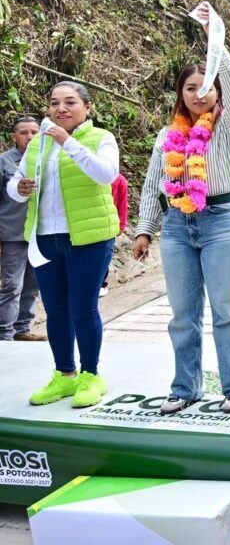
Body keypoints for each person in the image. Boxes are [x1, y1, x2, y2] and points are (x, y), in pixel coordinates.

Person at [133, 5, 230, 415]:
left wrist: (213, 35)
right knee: (182, 314)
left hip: (221, 221)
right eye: (190, 88)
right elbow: (153, 182)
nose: (199, 93)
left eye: (207, 87)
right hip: (176, 227)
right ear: (180, 95)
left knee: (227, 310)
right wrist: (145, 229)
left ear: (217, 92)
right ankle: (184, 387)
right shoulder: (169, 136)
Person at [7, 82, 120, 408]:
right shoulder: (38, 144)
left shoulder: (102, 138)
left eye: (70, 102)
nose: (61, 108)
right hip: (45, 238)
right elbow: (15, 188)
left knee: (83, 308)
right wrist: (23, 188)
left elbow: (105, 175)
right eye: (55, 103)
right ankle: (64, 374)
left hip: (89, 237)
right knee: (55, 310)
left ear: (88, 107)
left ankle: (91, 375)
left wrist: (67, 142)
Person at [0, 117, 42, 341]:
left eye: (34, 132)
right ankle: (4, 333)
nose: (30, 137)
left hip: (38, 233)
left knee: (32, 285)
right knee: (11, 286)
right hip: (12, 235)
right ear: (13, 137)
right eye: (24, 133)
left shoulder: (43, 159)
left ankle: (22, 329)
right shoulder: (4, 162)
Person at [98, 171, 128, 297]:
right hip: (93, 222)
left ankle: (101, 284)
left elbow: (122, 204)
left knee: (104, 255)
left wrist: (121, 224)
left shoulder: (119, 180)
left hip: (109, 223)